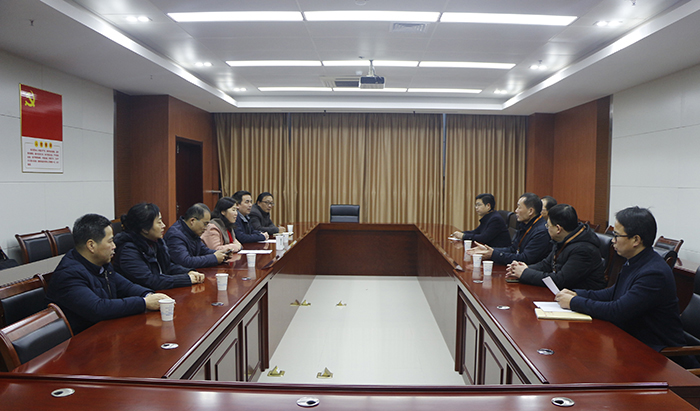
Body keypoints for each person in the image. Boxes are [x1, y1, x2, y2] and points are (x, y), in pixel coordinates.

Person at [555, 206, 689, 356]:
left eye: (617, 235)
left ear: (636, 240)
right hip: (632, 342)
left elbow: (617, 311)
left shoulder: (654, 273)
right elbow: (612, 293)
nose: (613, 240)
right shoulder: (635, 261)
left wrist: (574, 302)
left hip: (659, 354)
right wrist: (576, 294)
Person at [46, 214, 171, 334]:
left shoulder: (102, 264)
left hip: (106, 331)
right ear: (91, 245)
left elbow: (127, 287)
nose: (114, 246)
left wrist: (150, 296)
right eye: (110, 241)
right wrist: (144, 302)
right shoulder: (68, 275)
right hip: (82, 340)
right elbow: (98, 308)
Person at [506, 204, 606, 290]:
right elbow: (546, 264)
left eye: (548, 226)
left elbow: (560, 281)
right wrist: (522, 268)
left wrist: (525, 273)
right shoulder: (562, 239)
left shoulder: (584, 250)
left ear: (558, 229)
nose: (547, 229)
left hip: (580, 299)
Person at [113, 203, 205, 290]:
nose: (164, 225)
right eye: (159, 222)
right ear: (144, 229)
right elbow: (150, 280)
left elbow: (167, 267)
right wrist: (186, 279)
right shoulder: (128, 250)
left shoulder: (155, 242)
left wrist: (188, 272)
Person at [468, 193, 550, 265]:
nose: (516, 211)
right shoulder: (525, 225)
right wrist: (489, 250)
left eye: (519, 207)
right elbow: (513, 249)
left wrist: (493, 254)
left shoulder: (541, 232)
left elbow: (525, 259)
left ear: (530, 211)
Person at [164, 203, 229, 268]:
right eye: (205, 224)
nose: (206, 228)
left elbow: (203, 251)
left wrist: (222, 254)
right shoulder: (175, 235)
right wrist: (214, 258)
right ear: (192, 221)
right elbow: (185, 261)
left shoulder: (192, 232)